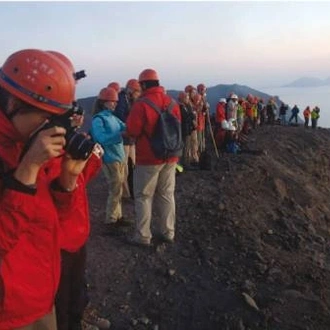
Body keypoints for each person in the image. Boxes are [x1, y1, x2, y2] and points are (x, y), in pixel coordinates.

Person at [0, 48, 97, 329]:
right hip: (9, 310)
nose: (55, 130)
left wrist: (66, 183)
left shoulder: (28, 142)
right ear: (14, 104)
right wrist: (27, 171)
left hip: (41, 295)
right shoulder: (28, 153)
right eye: (47, 119)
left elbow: (55, 226)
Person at [126, 68, 181, 246]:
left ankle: (143, 236)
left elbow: (132, 131)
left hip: (149, 158)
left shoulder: (141, 104)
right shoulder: (172, 102)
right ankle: (168, 232)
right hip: (171, 155)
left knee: (143, 196)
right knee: (166, 194)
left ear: (142, 84)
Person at [90, 87, 130, 231]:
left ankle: (117, 216)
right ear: (103, 102)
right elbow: (100, 138)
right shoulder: (98, 120)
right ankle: (111, 220)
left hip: (118, 157)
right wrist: (120, 135)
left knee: (117, 188)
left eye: (115, 101)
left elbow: (126, 127)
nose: (114, 104)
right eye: (111, 101)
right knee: (115, 189)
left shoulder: (113, 118)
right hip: (109, 158)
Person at [113, 78, 141, 198]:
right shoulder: (121, 100)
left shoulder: (128, 100)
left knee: (132, 165)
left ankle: (131, 190)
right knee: (124, 167)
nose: (138, 94)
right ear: (131, 90)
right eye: (137, 92)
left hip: (130, 139)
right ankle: (125, 193)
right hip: (124, 139)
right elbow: (120, 117)